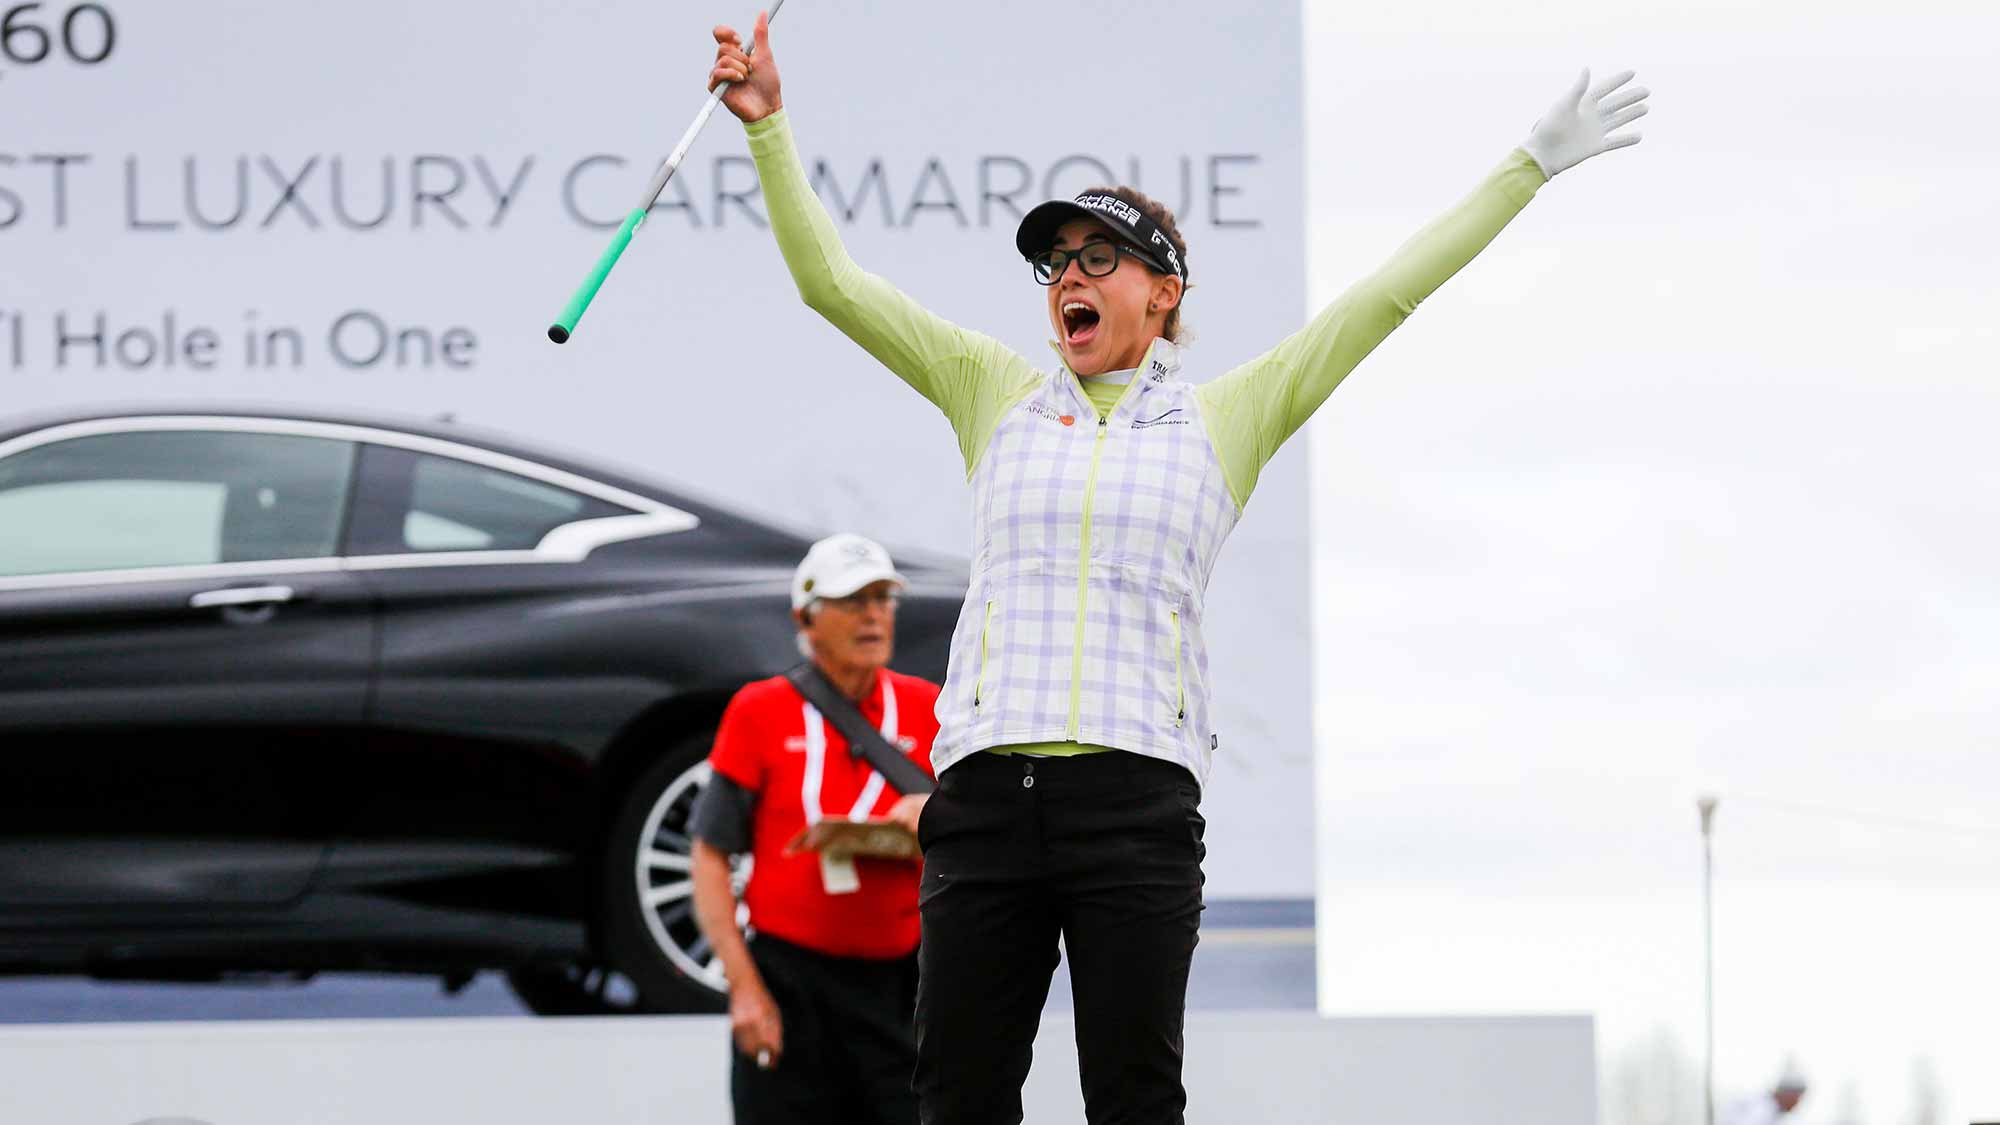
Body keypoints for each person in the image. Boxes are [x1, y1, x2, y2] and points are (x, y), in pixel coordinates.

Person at [706, 15, 1650, 1124]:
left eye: (1097, 257)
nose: (1068, 275)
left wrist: (1527, 165)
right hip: (984, 801)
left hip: (1135, 805)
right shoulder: (992, 391)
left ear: (1163, 292)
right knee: (957, 1098)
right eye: (1056, 262)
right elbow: (831, 286)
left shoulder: (1223, 419)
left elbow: (1384, 297)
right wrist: (767, 125)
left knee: (1135, 1099)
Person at [688, 532, 939, 1125]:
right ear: (805, 617)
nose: (872, 615)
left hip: (900, 983)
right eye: (852, 601)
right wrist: (744, 989)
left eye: (882, 599)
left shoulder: (930, 708)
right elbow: (710, 855)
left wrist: (935, 818)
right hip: (788, 982)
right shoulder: (759, 710)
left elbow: (984, 840)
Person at [1720, 1064, 1809, 1125]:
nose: (1797, 1102)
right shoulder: (1762, 1107)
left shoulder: (1772, 1110)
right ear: (1786, 1094)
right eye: (1797, 1096)